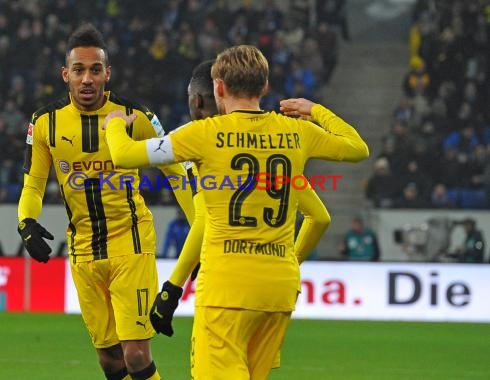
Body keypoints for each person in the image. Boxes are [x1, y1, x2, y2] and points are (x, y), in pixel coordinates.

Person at [103, 45, 368, 379]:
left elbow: (125, 155)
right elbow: (358, 148)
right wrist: (315, 110)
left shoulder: (202, 135)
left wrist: (114, 124)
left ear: (218, 87)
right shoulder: (296, 132)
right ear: (265, 87)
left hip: (226, 288)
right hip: (279, 289)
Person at [16, 23, 195, 380]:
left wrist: (199, 230)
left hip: (131, 243)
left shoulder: (136, 117)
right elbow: (34, 185)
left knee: (136, 355)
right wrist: (26, 222)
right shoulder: (45, 123)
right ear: (65, 74)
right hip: (83, 250)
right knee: (110, 361)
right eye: (79, 70)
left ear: (107, 74)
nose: (87, 79)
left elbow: (176, 174)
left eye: (95, 70)